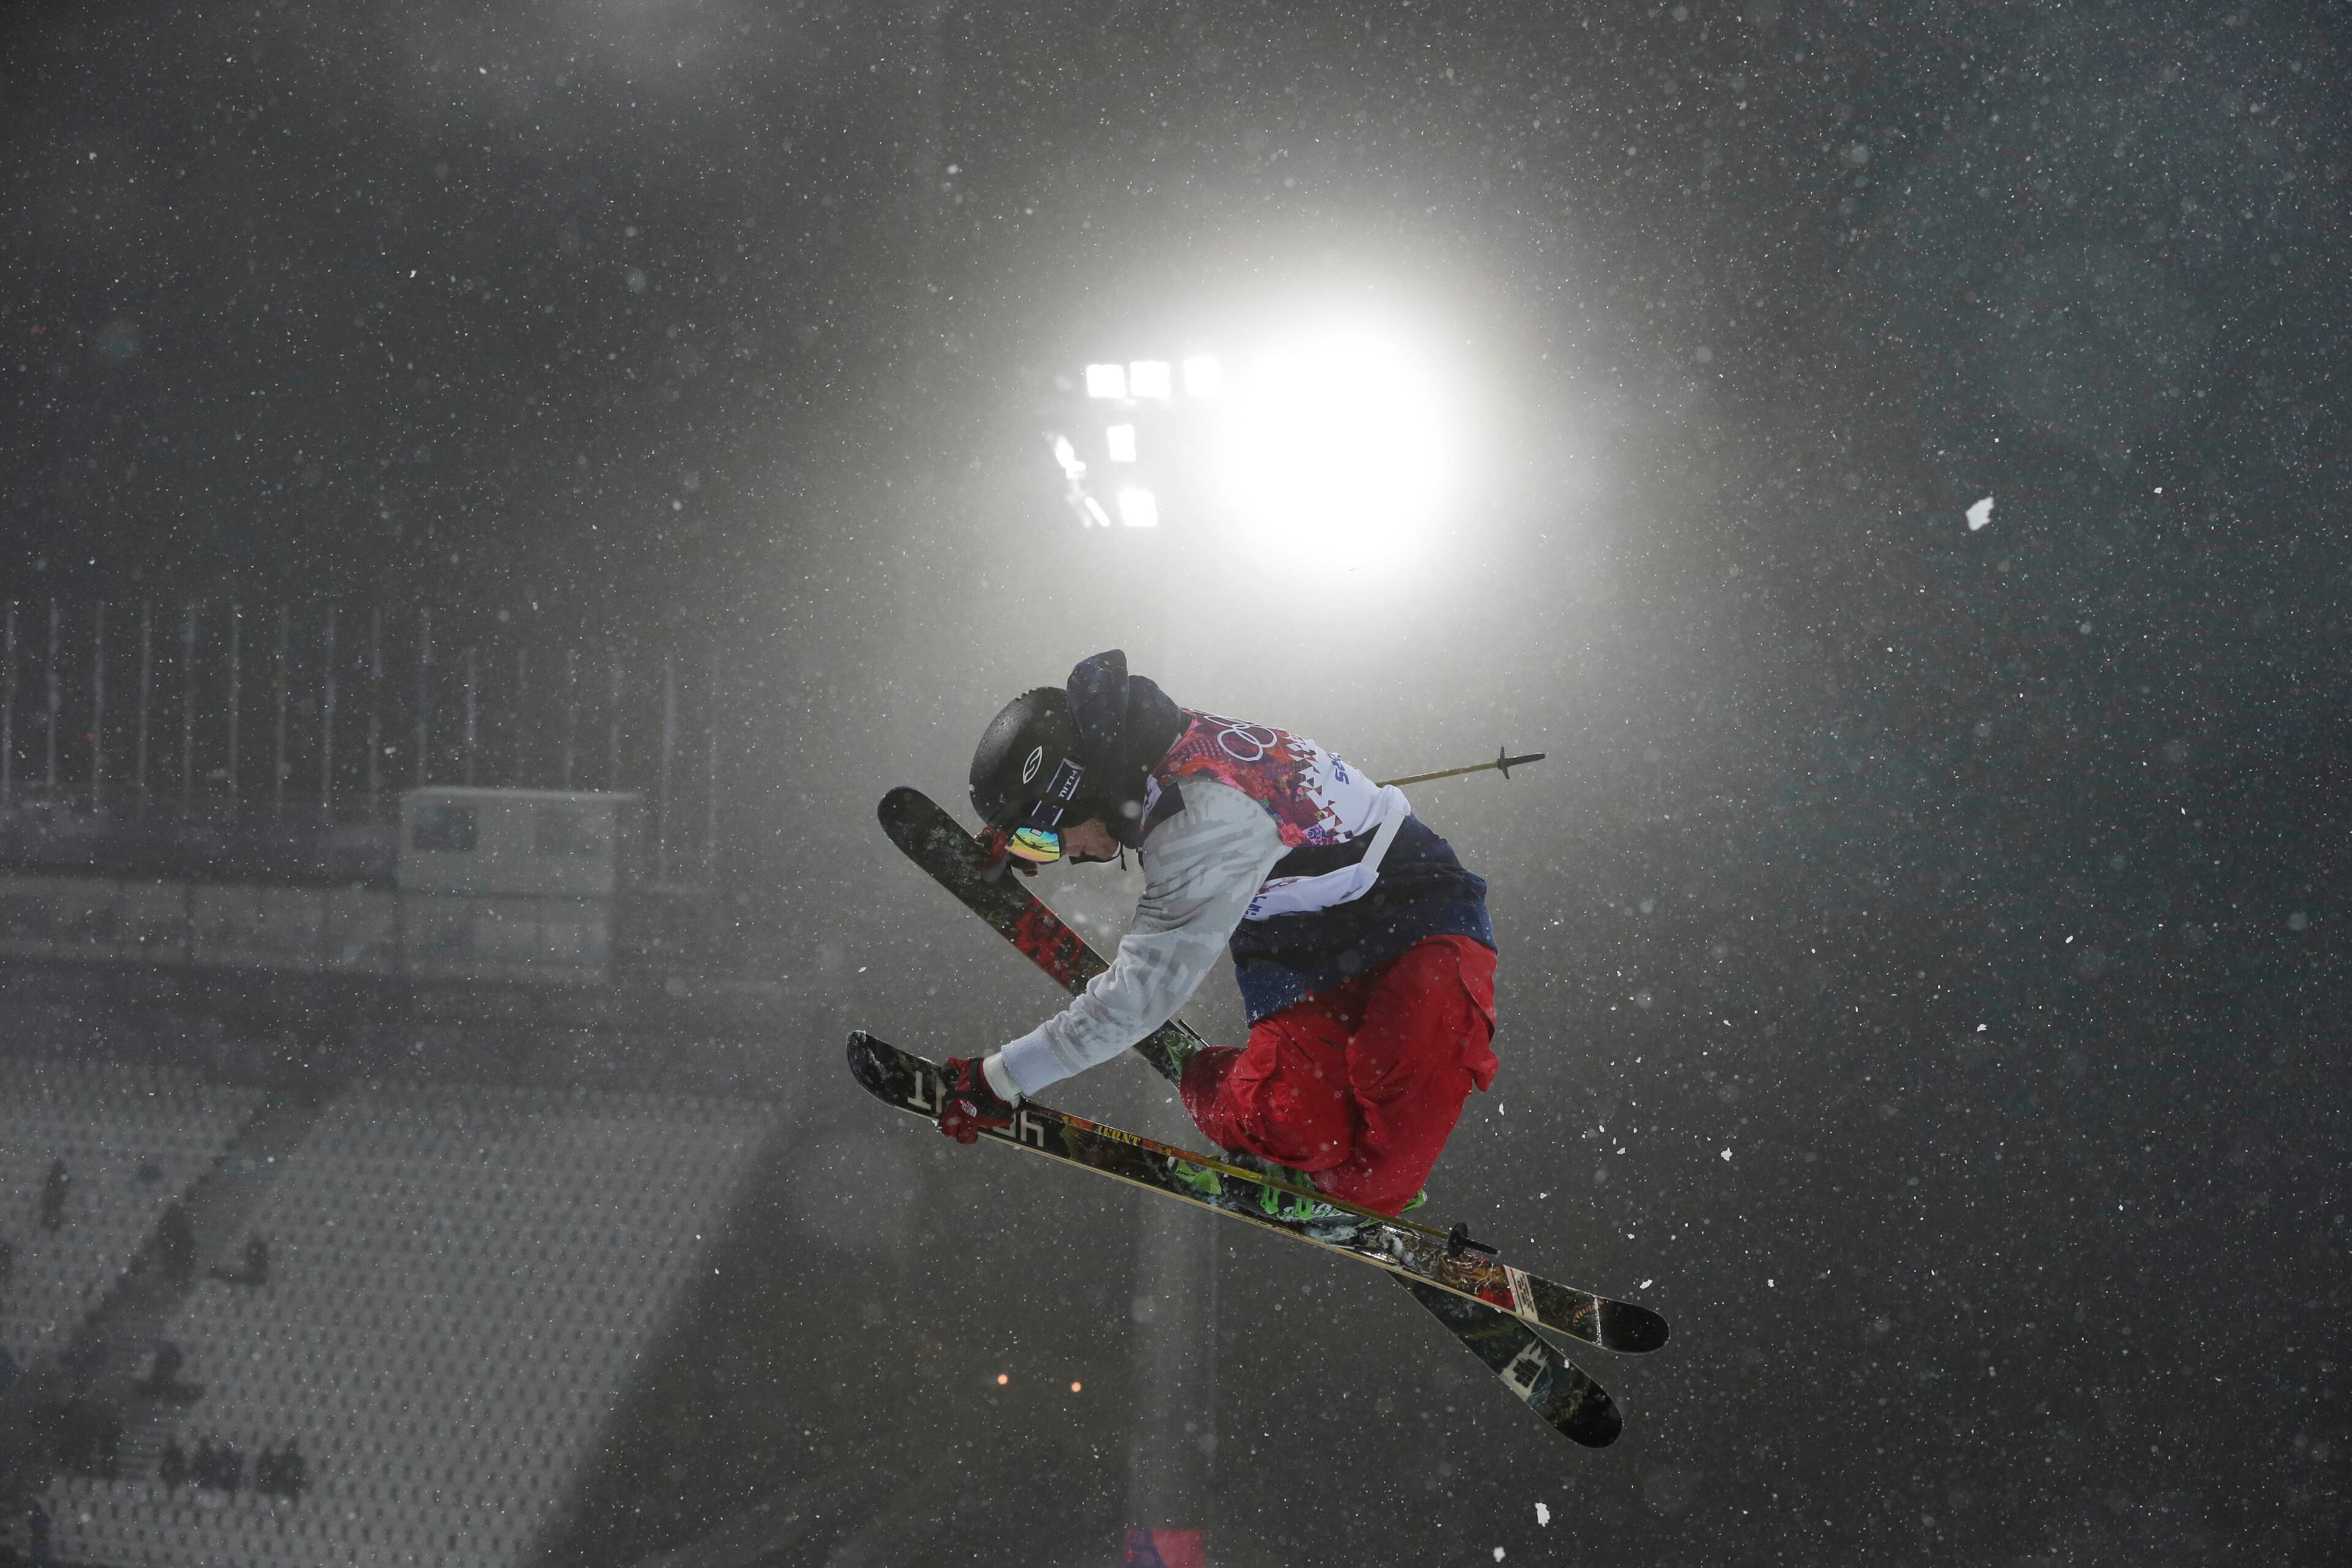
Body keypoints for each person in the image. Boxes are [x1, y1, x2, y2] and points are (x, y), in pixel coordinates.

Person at [935, 650, 1498, 1219]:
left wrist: (1001, 1077)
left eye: (1047, 840)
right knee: (1300, 1130)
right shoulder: (1132, 749)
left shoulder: (1198, 823)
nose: (1063, 857)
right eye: (1034, 849)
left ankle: (1350, 1183)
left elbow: (1139, 997)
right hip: (1294, 945)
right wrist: (1013, 834)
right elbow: (1080, 764)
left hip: (1416, 915)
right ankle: (1242, 1098)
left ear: (1076, 794)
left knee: (1376, 1181)